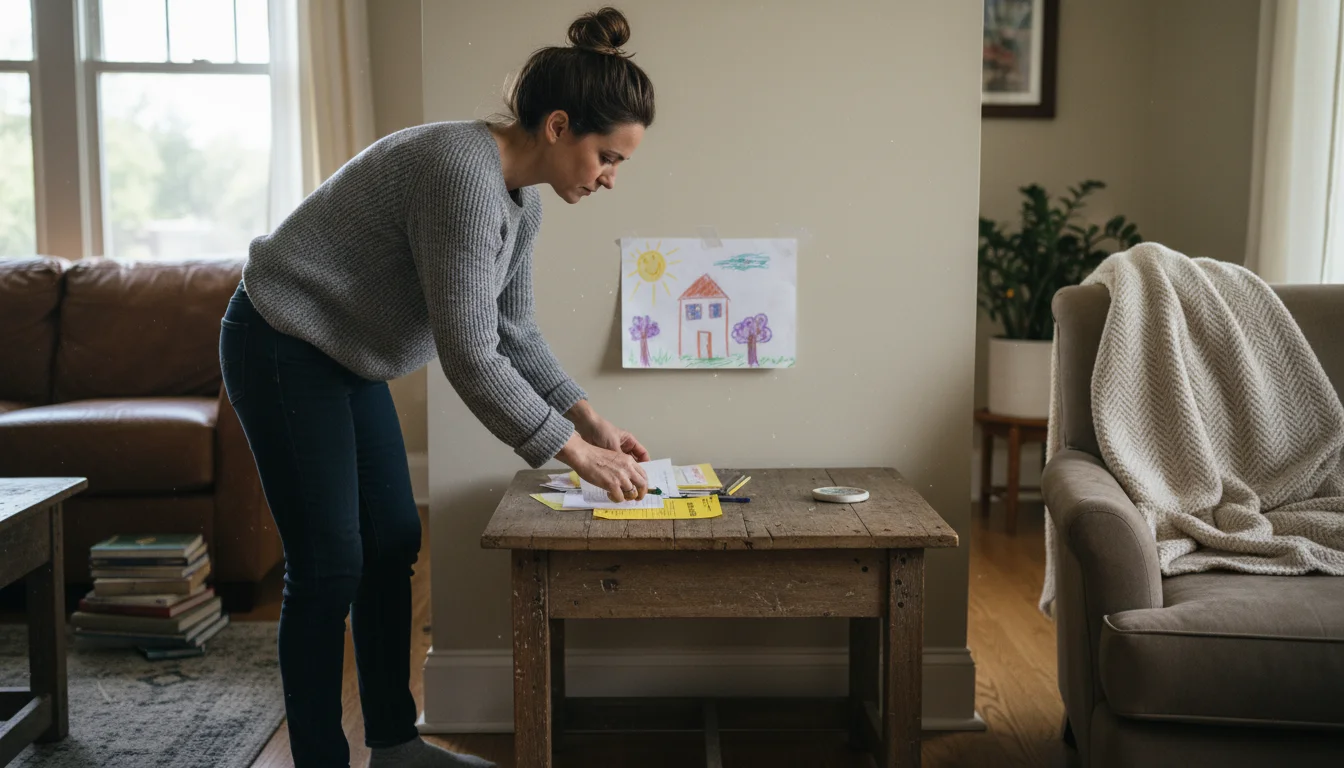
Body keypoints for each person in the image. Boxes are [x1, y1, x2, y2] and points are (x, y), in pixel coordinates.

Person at [218, 7, 655, 767]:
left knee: (390, 540)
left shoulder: (523, 204)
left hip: (346, 356)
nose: (611, 179)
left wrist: (590, 419)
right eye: (609, 158)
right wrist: (573, 457)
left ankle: (393, 743)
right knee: (328, 564)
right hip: (282, 341)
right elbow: (471, 356)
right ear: (559, 126)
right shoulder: (460, 173)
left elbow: (514, 332)